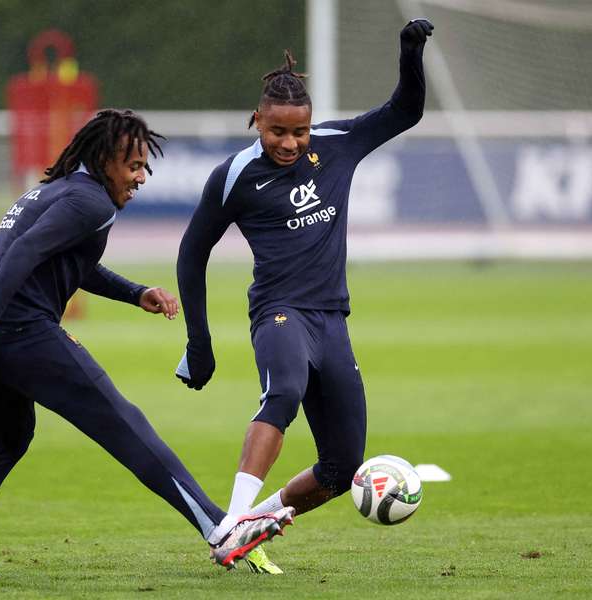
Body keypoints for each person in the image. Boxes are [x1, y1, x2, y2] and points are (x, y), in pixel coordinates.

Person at [0, 109, 294, 584]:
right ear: (104, 159)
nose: (140, 177)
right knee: (123, 423)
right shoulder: (90, 202)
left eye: (144, 167)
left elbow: (70, 261)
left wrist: (135, 292)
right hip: (11, 328)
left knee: (6, 439)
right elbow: (25, 251)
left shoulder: (61, 190)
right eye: (133, 165)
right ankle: (221, 531)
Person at [175, 20, 433, 574]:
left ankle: (246, 526)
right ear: (257, 120)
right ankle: (232, 524)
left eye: (300, 132)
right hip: (278, 314)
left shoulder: (339, 145)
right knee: (284, 391)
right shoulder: (235, 176)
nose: (289, 143)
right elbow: (190, 253)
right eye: (277, 132)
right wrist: (199, 341)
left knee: (343, 467)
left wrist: (409, 53)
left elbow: (406, 111)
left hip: (331, 320)